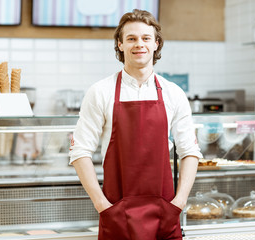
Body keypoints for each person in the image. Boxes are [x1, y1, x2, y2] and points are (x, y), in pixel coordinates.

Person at [69, 9, 202, 240]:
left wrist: (178, 204)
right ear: (120, 44)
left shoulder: (173, 93)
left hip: (165, 214)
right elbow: (80, 152)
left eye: (145, 38)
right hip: (116, 213)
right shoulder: (100, 91)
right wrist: (103, 206)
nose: (138, 44)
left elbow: (190, 151)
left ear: (156, 44)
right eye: (131, 38)